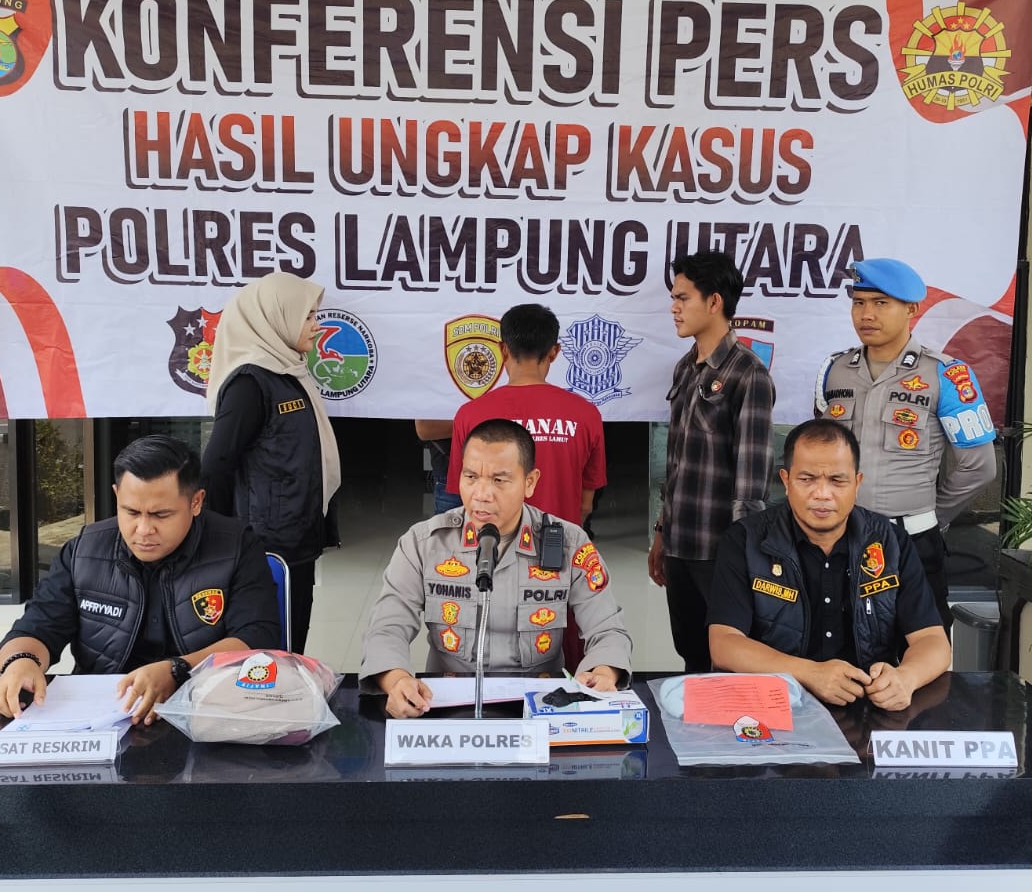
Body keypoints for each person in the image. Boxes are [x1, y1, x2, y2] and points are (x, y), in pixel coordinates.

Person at [0, 435, 281, 724]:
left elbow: (256, 639)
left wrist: (178, 670)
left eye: (160, 515)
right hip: (102, 715)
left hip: (204, 711)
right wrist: (20, 662)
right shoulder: (84, 551)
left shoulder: (236, 548)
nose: (143, 529)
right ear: (117, 495)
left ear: (196, 502)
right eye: (131, 512)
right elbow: (37, 627)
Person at [360, 419, 633, 719]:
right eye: (471, 477)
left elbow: (608, 629)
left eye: (499, 480)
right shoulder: (424, 543)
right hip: (447, 709)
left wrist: (603, 673)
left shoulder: (570, 543)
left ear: (530, 482)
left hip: (538, 709)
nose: (481, 494)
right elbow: (387, 627)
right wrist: (397, 680)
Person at [708, 419, 951, 710]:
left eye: (837, 480)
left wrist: (906, 678)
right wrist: (808, 673)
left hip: (868, 707)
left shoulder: (890, 542)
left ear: (857, 483)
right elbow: (724, 643)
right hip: (775, 706)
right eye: (807, 479)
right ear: (786, 481)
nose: (822, 494)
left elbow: (932, 639)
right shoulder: (745, 541)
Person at [814, 257, 997, 633]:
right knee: (835, 645)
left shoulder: (946, 374)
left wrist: (931, 518)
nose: (867, 314)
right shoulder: (835, 370)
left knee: (920, 649)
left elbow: (979, 467)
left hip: (912, 541)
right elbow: (818, 454)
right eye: (859, 302)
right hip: (838, 539)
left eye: (881, 303)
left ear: (912, 309)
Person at [650, 249, 776, 674]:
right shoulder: (685, 368)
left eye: (683, 297)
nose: (674, 307)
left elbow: (751, 482)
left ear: (714, 302)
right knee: (690, 653)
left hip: (719, 553)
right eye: (674, 297)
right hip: (680, 545)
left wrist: (743, 559)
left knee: (727, 662)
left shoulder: (748, 374)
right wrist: (661, 534)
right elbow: (677, 466)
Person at [201, 271, 341, 653]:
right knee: (269, 648)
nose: (316, 325)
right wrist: (218, 538)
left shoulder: (288, 371)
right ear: (276, 317)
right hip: (268, 545)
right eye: (307, 316)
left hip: (297, 536)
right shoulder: (250, 383)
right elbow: (216, 464)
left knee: (292, 642)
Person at [446, 303, 606, 526]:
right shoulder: (585, 414)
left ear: (503, 350)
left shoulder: (469, 414)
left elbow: (463, 493)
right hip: (559, 539)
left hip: (492, 540)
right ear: (554, 352)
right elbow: (585, 504)